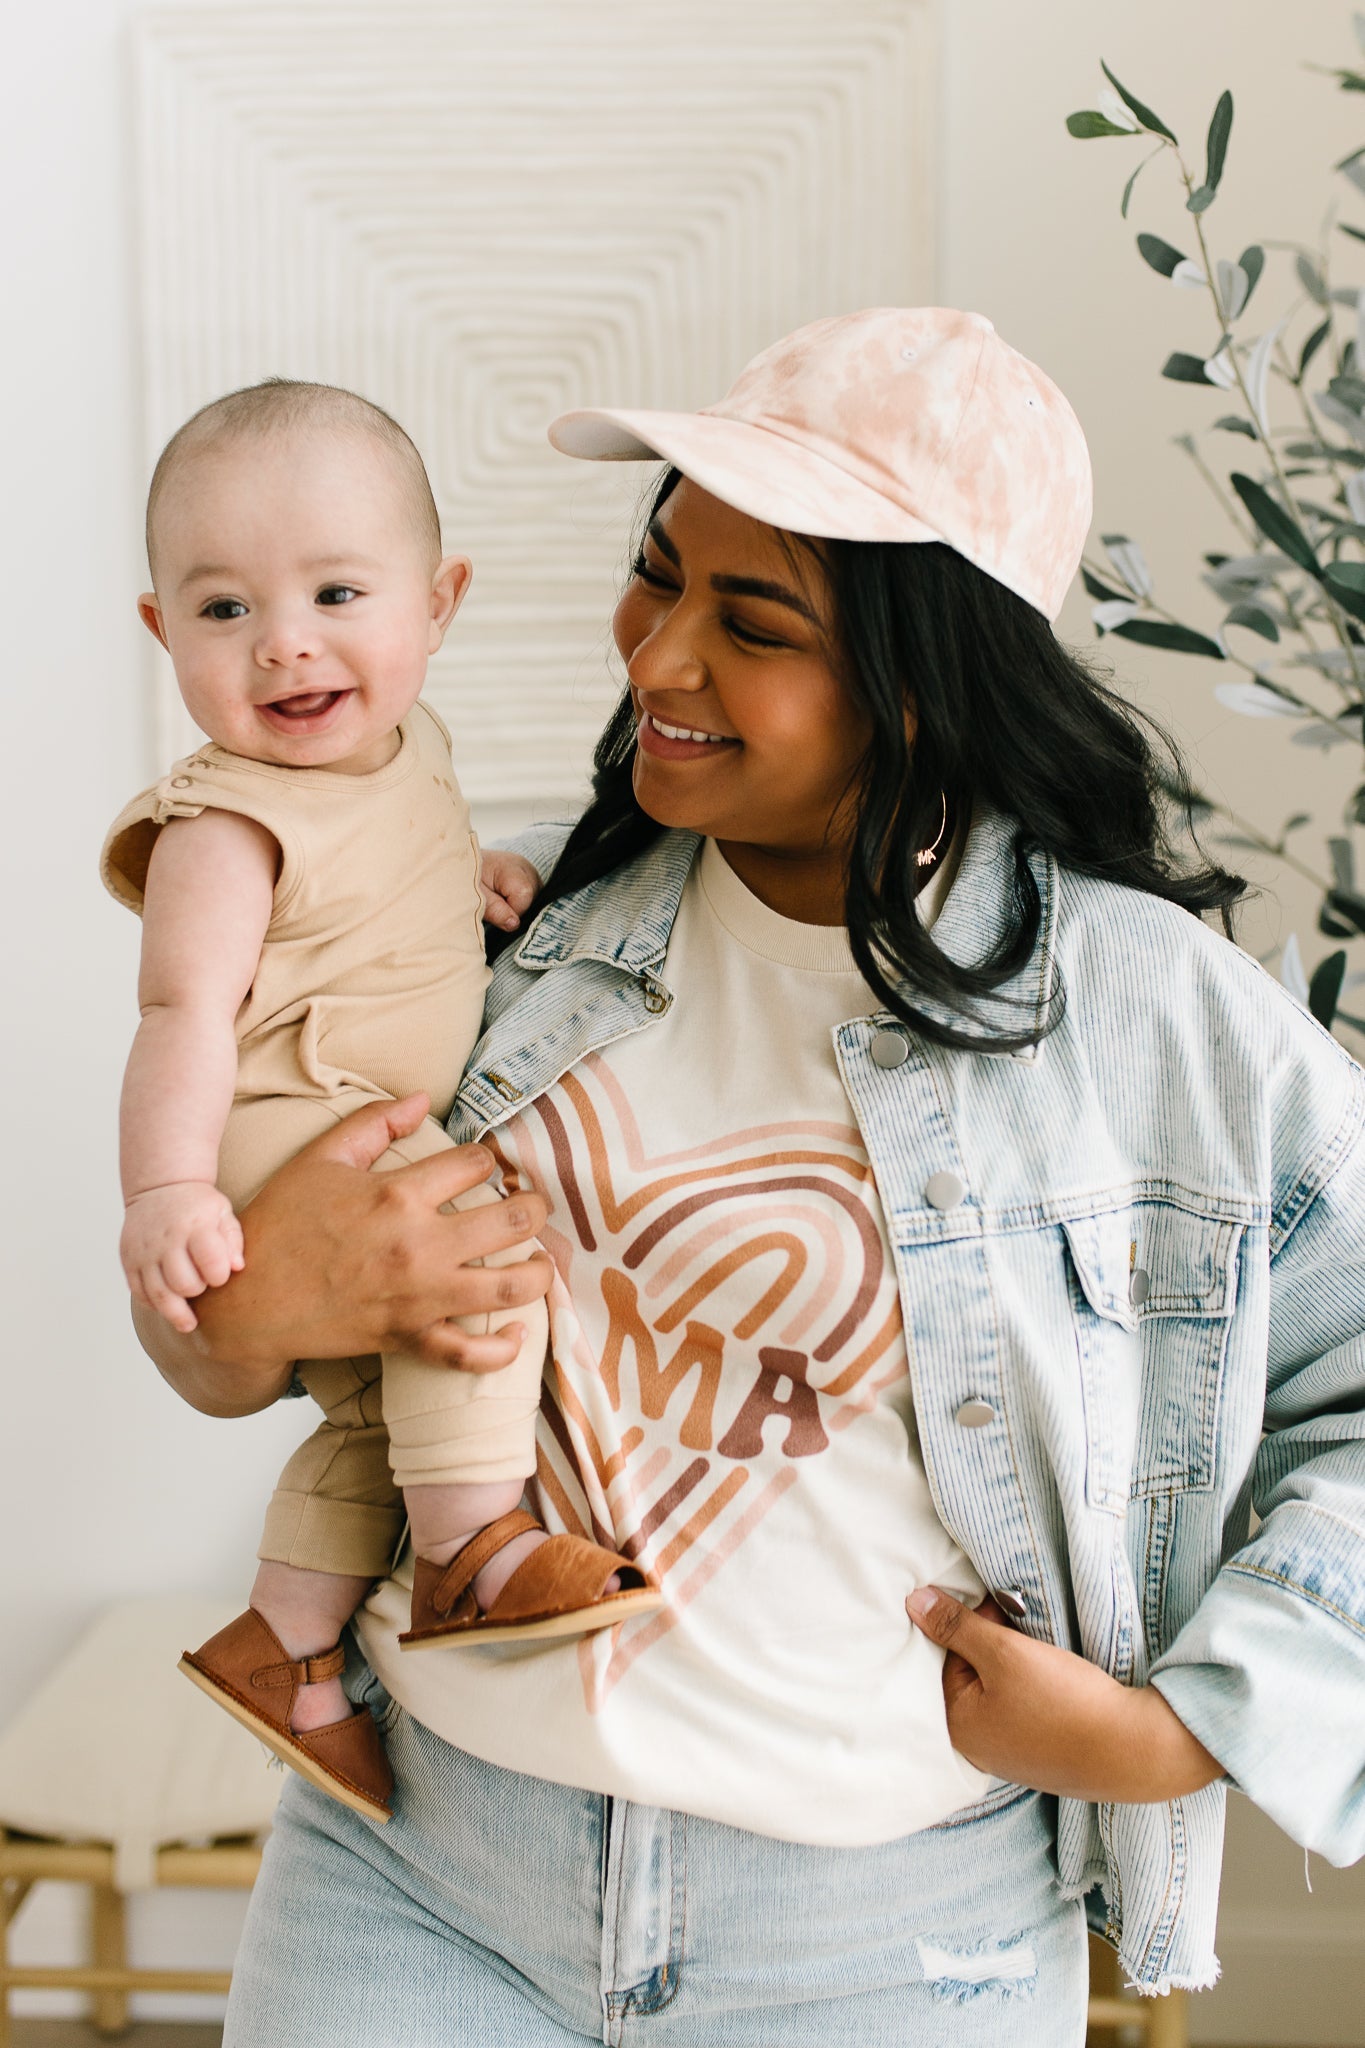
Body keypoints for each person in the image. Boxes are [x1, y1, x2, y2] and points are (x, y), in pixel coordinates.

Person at [133, 310, 1365, 2046]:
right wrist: (268, 1292)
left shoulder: (1155, 1022)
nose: (655, 658)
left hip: (882, 1943)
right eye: (658, 577)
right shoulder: (512, 927)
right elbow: (218, 1347)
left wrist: (1187, 1731)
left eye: (752, 621)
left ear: (928, 680)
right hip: (420, 1884)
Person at [101, 380, 660, 1826]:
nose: (283, 641)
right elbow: (180, 1017)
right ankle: (474, 1552)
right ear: (164, 633)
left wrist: (458, 885)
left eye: (336, 591)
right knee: (476, 1258)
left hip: (365, 1106)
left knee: (372, 1417)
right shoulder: (223, 827)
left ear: (436, 599)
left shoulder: (411, 753)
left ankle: (284, 1647)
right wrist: (165, 1192)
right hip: (302, 1128)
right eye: (222, 610)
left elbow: (380, 883)